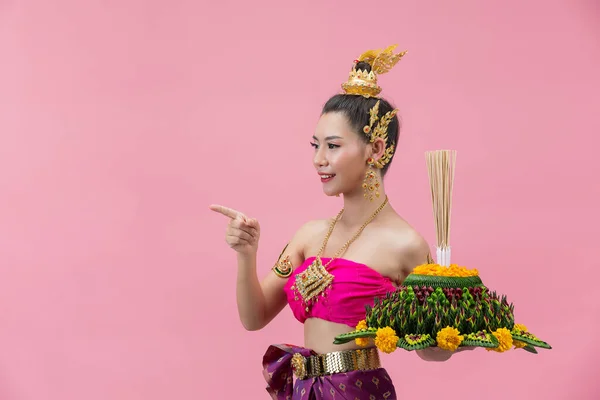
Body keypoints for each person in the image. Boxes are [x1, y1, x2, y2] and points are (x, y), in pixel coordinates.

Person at [210, 45, 467, 400]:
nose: (318, 160)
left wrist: (456, 332)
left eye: (332, 146)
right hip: (303, 391)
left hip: (358, 392)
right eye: (315, 146)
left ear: (375, 150)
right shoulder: (308, 236)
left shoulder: (405, 245)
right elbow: (254, 317)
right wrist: (246, 253)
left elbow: (429, 351)